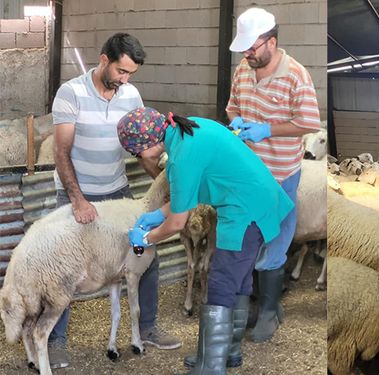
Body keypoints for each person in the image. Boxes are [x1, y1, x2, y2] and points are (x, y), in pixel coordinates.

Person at [118, 107, 294, 374]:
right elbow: (188, 196)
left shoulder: (182, 157)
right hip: (254, 202)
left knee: (222, 282)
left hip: (245, 212)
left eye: (135, 152)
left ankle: (211, 366)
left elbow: (178, 222)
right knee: (239, 279)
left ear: (148, 143)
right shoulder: (190, 130)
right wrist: (155, 216)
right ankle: (228, 352)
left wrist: (146, 238)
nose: (139, 157)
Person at [49, 33, 181, 369]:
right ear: (104, 59)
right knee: (65, 266)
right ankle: (55, 340)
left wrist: (163, 184)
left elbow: (142, 148)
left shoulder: (131, 95)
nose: (125, 80)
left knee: (146, 252)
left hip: (116, 189)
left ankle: (147, 326)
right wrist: (77, 201)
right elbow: (61, 152)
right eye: (121, 71)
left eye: (130, 74)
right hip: (77, 191)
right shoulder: (71, 92)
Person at [225, 7, 322, 342]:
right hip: (247, 172)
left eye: (252, 47)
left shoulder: (296, 74)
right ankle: (255, 305)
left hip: (281, 173)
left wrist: (267, 129)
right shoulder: (243, 69)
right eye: (245, 49)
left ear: (272, 41)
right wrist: (236, 121)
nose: (248, 54)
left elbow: (309, 122)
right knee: (248, 240)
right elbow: (232, 106)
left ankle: (269, 310)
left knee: (275, 242)